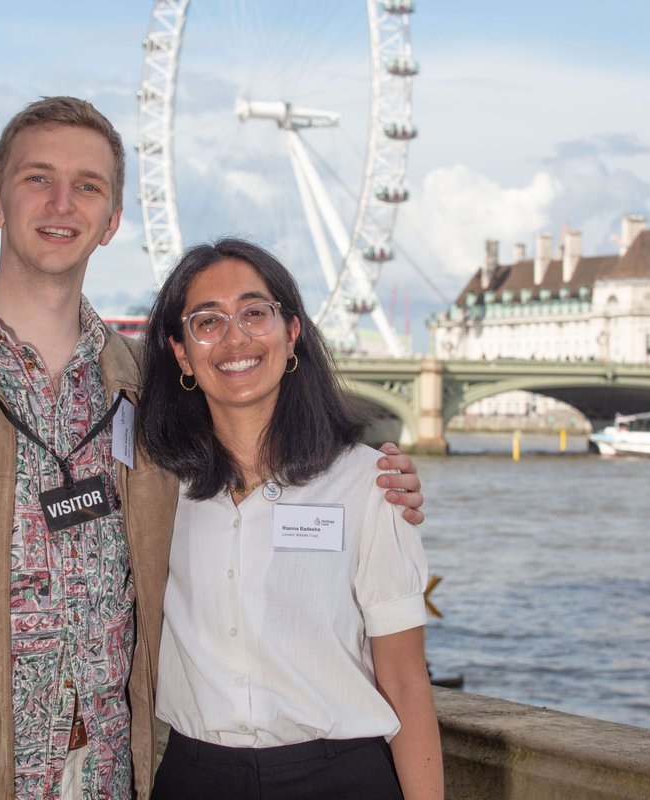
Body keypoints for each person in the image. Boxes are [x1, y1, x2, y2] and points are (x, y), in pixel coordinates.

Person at [0, 97, 427, 800]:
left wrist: (382, 474)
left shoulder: (150, 393)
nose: (61, 203)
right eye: (37, 178)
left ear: (112, 222)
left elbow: (259, 456)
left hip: (110, 778)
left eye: (89, 186)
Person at [137, 238, 443, 800]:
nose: (236, 338)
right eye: (208, 321)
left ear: (292, 332)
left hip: (341, 780)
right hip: (193, 778)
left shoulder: (369, 484)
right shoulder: (151, 490)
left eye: (256, 313)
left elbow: (404, 678)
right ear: (181, 353)